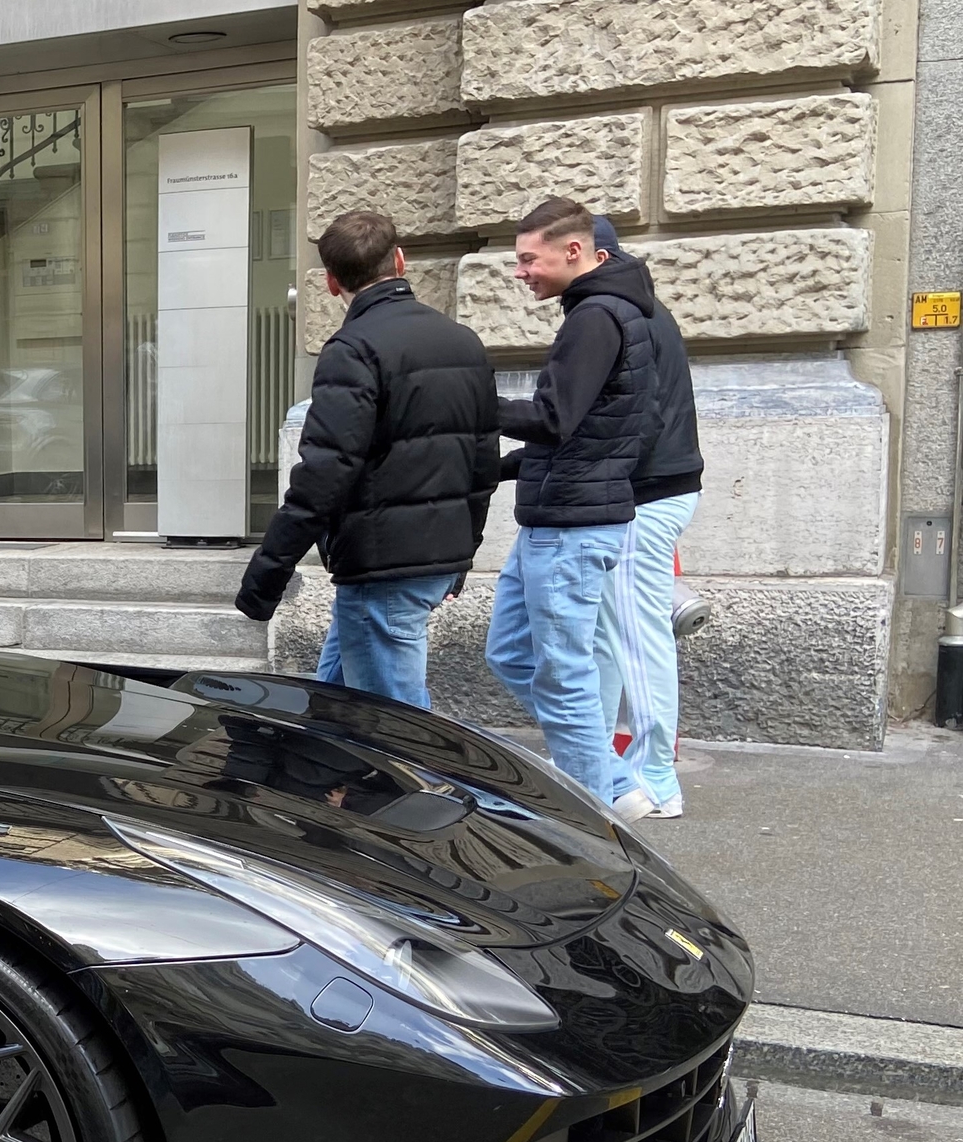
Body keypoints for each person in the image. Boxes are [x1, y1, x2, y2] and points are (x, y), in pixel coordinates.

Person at [235, 211, 498, 708]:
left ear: (332, 283)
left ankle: (444, 788)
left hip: (382, 567)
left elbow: (323, 474)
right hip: (427, 557)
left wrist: (268, 573)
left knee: (399, 733)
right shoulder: (463, 341)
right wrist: (463, 550)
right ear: (400, 261)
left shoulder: (352, 350)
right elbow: (483, 460)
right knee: (335, 710)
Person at [483, 197, 657, 809]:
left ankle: (595, 817)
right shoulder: (601, 311)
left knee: (564, 675)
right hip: (558, 518)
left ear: (574, 251)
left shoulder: (596, 316)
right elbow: (584, 429)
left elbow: (554, 419)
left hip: (570, 527)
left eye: (529, 259)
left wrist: (466, 404)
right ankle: (612, 785)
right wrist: (497, 467)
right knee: (508, 652)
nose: (521, 271)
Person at [587, 217, 701, 820]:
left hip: (645, 496)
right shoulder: (641, 306)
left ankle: (654, 778)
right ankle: (607, 768)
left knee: (633, 637)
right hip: (653, 490)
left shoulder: (620, 313)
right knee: (615, 637)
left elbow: (638, 418)